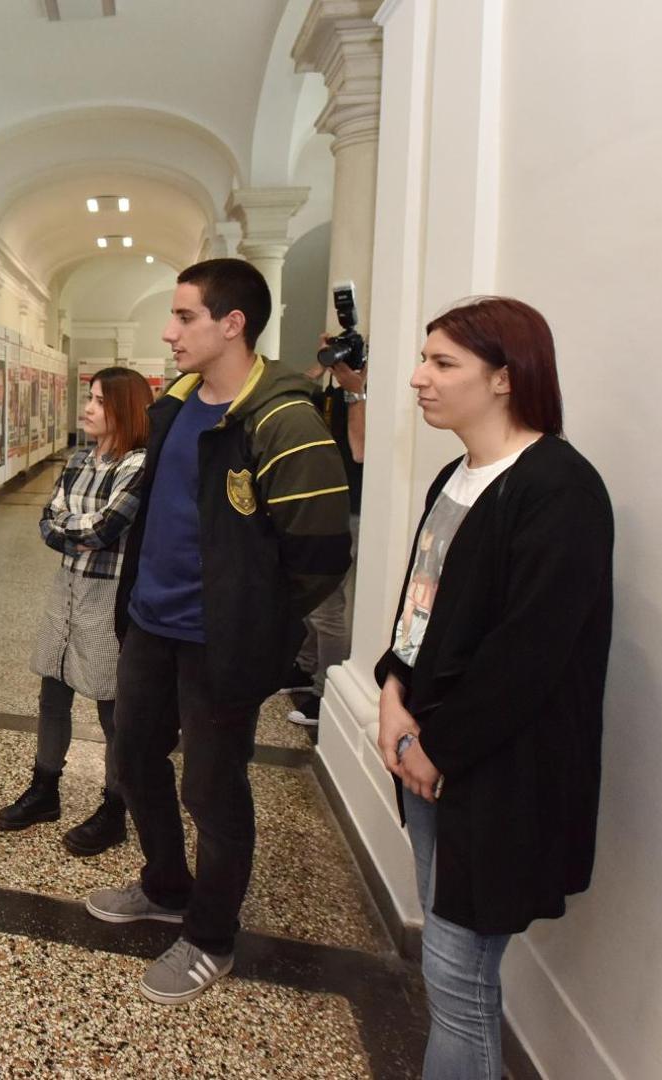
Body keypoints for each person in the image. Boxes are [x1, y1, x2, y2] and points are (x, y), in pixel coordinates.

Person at [86, 258, 351, 1005]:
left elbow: (320, 558)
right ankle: (166, 884)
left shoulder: (285, 423)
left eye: (183, 317)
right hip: (149, 624)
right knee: (134, 758)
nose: (167, 333)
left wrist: (246, 619)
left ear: (231, 323)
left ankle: (209, 936)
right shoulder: (173, 403)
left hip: (219, 644)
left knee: (211, 786)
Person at [376, 297, 612, 1079]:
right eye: (423, 359)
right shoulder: (456, 474)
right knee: (450, 972)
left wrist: (432, 746)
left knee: (458, 982)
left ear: (505, 379)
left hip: (490, 775)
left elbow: (530, 653)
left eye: (442, 364)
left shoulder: (557, 488)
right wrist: (389, 694)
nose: (417, 378)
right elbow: (422, 606)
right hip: (427, 756)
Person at [0, 367, 152, 858]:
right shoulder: (81, 458)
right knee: (52, 692)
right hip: (65, 589)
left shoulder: (140, 465)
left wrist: (69, 524)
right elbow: (45, 523)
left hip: (107, 598)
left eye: (98, 401)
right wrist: (70, 525)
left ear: (124, 408)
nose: (86, 408)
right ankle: (45, 790)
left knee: (111, 708)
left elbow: (103, 529)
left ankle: (115, 808)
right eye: (89, 398)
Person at [287, 342, 369, 725]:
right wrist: (322, 367)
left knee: (328, 607)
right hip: (320, 507)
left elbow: (360, 451)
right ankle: (305, 667)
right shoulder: (334, 389)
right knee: (307, 595)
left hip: (348, 511)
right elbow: (293, 389)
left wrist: (356, 391)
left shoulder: (364, 394)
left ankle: (326, 694)